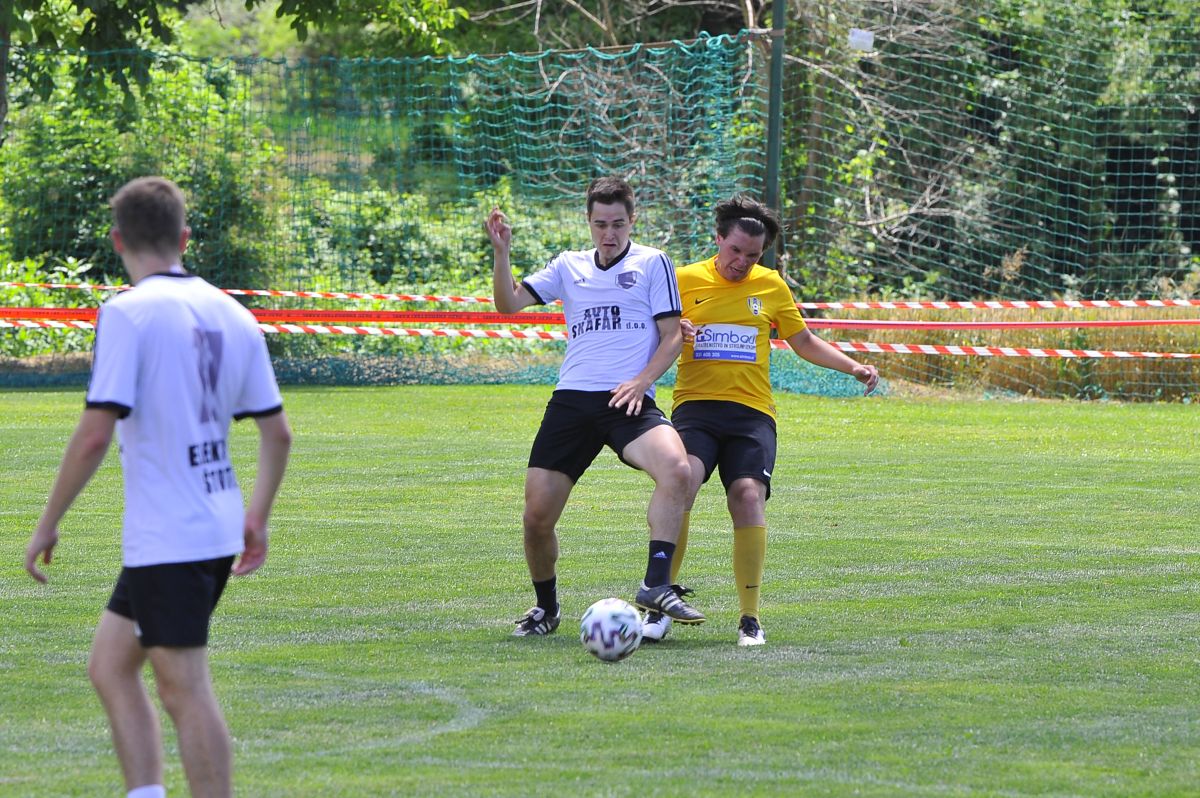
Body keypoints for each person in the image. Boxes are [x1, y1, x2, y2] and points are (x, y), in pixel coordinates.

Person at [24, 176, 293, 798]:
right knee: (110, 666)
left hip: (170, 534)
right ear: (185, 238)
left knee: (183, 688)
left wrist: (47, 523)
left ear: (117, 239)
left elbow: (95, 434)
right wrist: (256, 516)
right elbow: (277, 434)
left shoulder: (126, 312)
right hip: (209, 523)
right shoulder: (234, 313)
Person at [643, 195, 879, 646]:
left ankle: (749, 618)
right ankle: (659, 603)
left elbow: (803, 341)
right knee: (682, 481)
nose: (742, 262)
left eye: (753, 255)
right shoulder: (683, 280)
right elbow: (651, 332)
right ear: (718, 239)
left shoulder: (771, 285)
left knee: (748, 495)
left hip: (752, 414)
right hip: (696, 409)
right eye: (735, 250)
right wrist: (674, 332)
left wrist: (853, 367)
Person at [485, 175, 705, 636]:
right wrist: (502, 253)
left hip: (628, 397)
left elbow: (671, 337)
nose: (610, 234)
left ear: (632, 221)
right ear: (588, 222)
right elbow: (508, 305)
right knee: (536, 518)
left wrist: (642, 381)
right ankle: (546, 608)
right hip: (572, 400)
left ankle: (656, 584)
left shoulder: (653, 263)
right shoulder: (568, 265)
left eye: (618, 224)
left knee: (678, 470)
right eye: (601, 224)